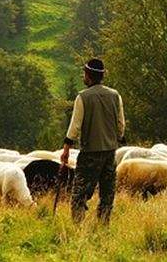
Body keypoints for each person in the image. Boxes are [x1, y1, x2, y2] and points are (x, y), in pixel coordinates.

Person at [60, 58, 126, 224]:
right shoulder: (115, 95)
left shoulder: (83, 97)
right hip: (110, 152)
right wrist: (116, 139)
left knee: (79, 193)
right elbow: (121, 124)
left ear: (88, 76)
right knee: (107, 193)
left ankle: (78, 227)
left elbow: (75, 126)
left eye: (84, 73)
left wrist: (66, 148)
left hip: (90, 153)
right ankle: (103, 225)